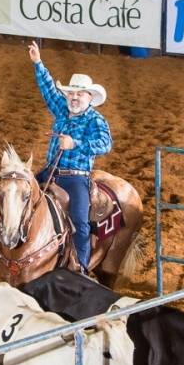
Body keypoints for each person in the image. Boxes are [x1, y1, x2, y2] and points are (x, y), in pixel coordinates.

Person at [27, 41, 112, 273]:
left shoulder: (95, 120)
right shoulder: (63, 109)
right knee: (19, 196)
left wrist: (75, 143)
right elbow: (48, 89)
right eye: (71, 93)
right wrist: (38, 62)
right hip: (51, 171)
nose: (74, 97)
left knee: (80, 222)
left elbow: (105, 144)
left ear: (89, 97)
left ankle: (81, 268)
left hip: (76, 178)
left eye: (79, 94)